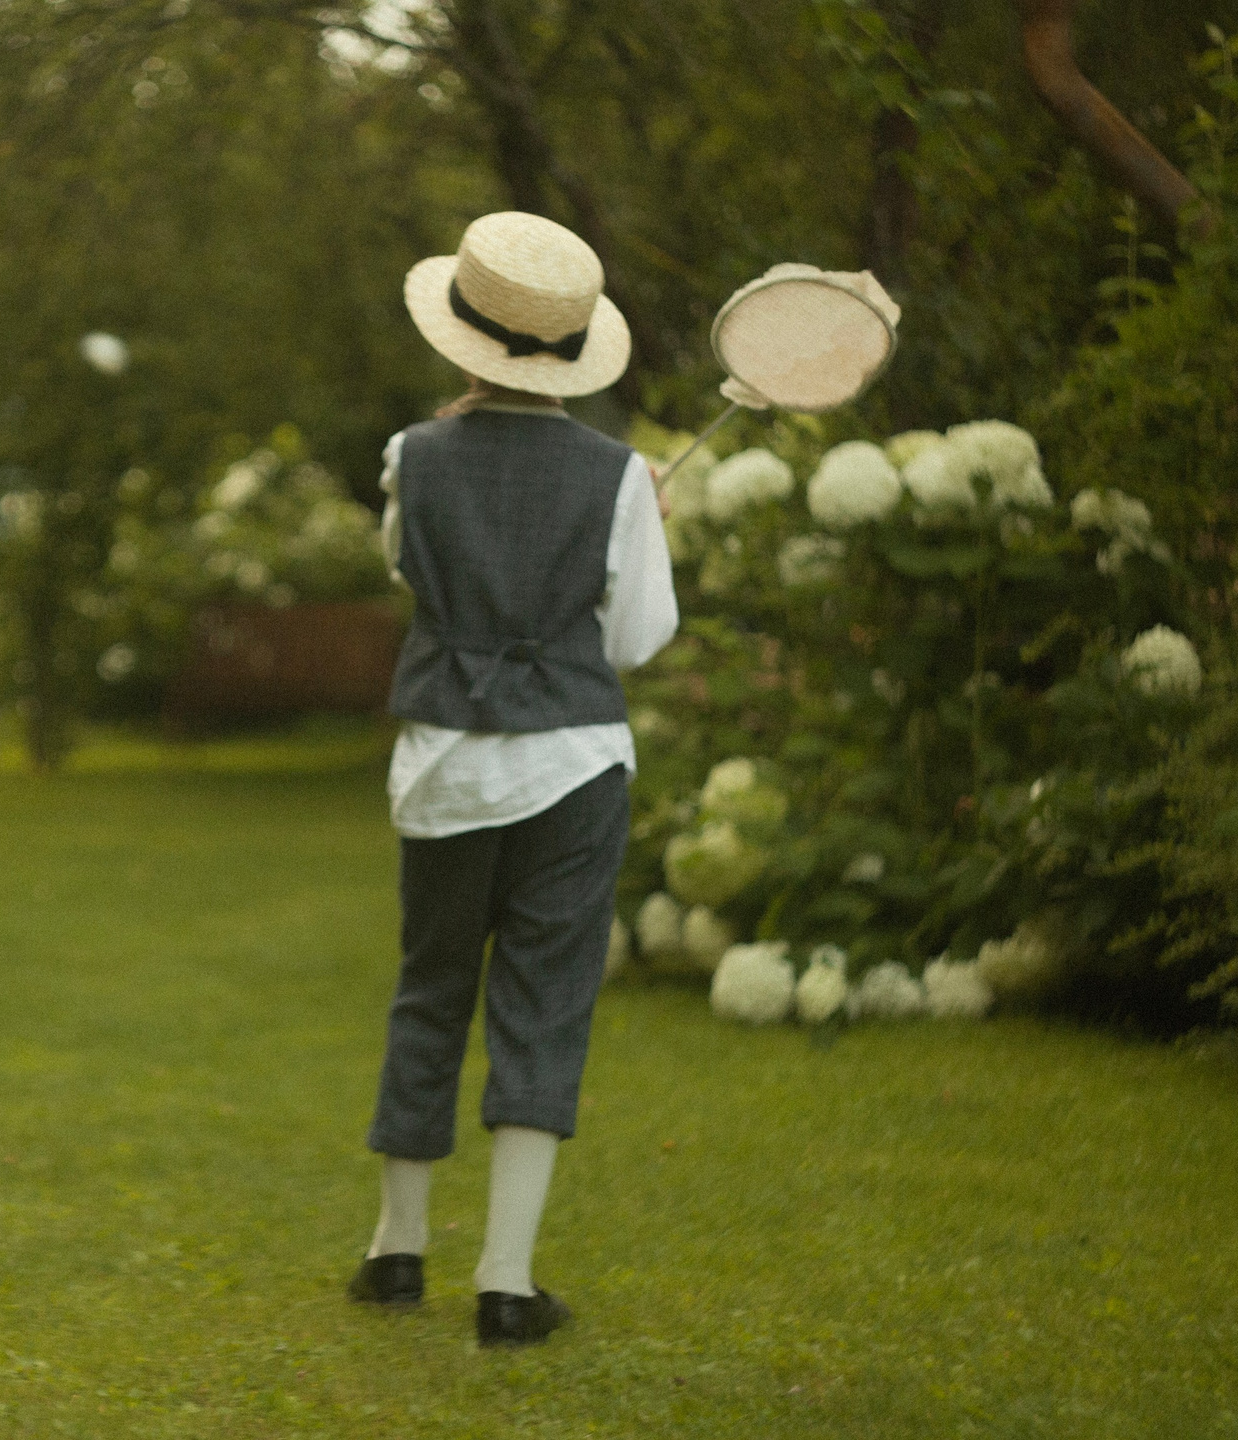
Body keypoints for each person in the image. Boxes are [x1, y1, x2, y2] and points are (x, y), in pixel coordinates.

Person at [346, 212, 679, 1347]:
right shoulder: (620, 474)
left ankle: (395, 1255)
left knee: (430, 986)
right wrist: (633, 525)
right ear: (573, 351)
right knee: (543, 1004)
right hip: (574, 764)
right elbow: (634, 639)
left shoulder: (411, 455)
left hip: (442, 762)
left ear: (462, 339)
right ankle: (505, 1280)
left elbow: (406, 565)